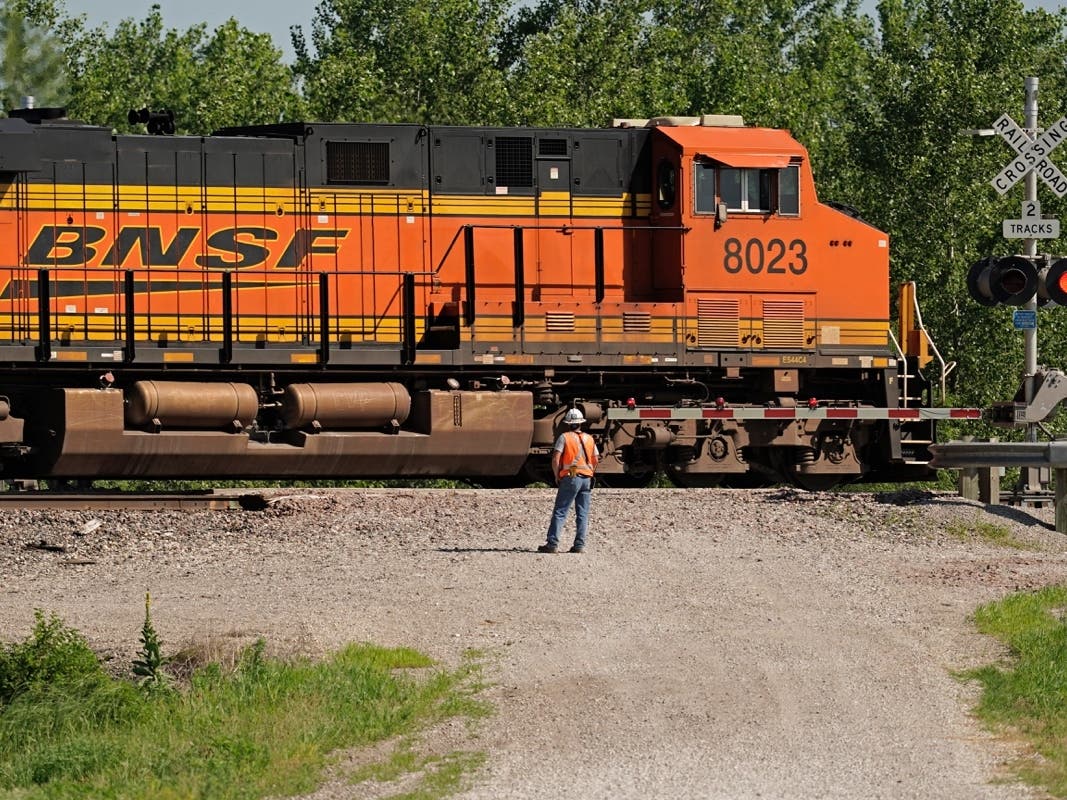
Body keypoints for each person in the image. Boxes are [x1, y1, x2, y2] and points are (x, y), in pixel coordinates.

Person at [538, 408, 599, 554]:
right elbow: (596, 459)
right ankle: (579, 545)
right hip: (587, 478)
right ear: (580, 423)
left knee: (560, 511)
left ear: (567, 423)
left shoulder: (564, 437)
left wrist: (557, 475)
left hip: (571, 476)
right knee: (583, 513)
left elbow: (556, 459)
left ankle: (552, 544)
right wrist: (589, 471)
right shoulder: (589, 439)